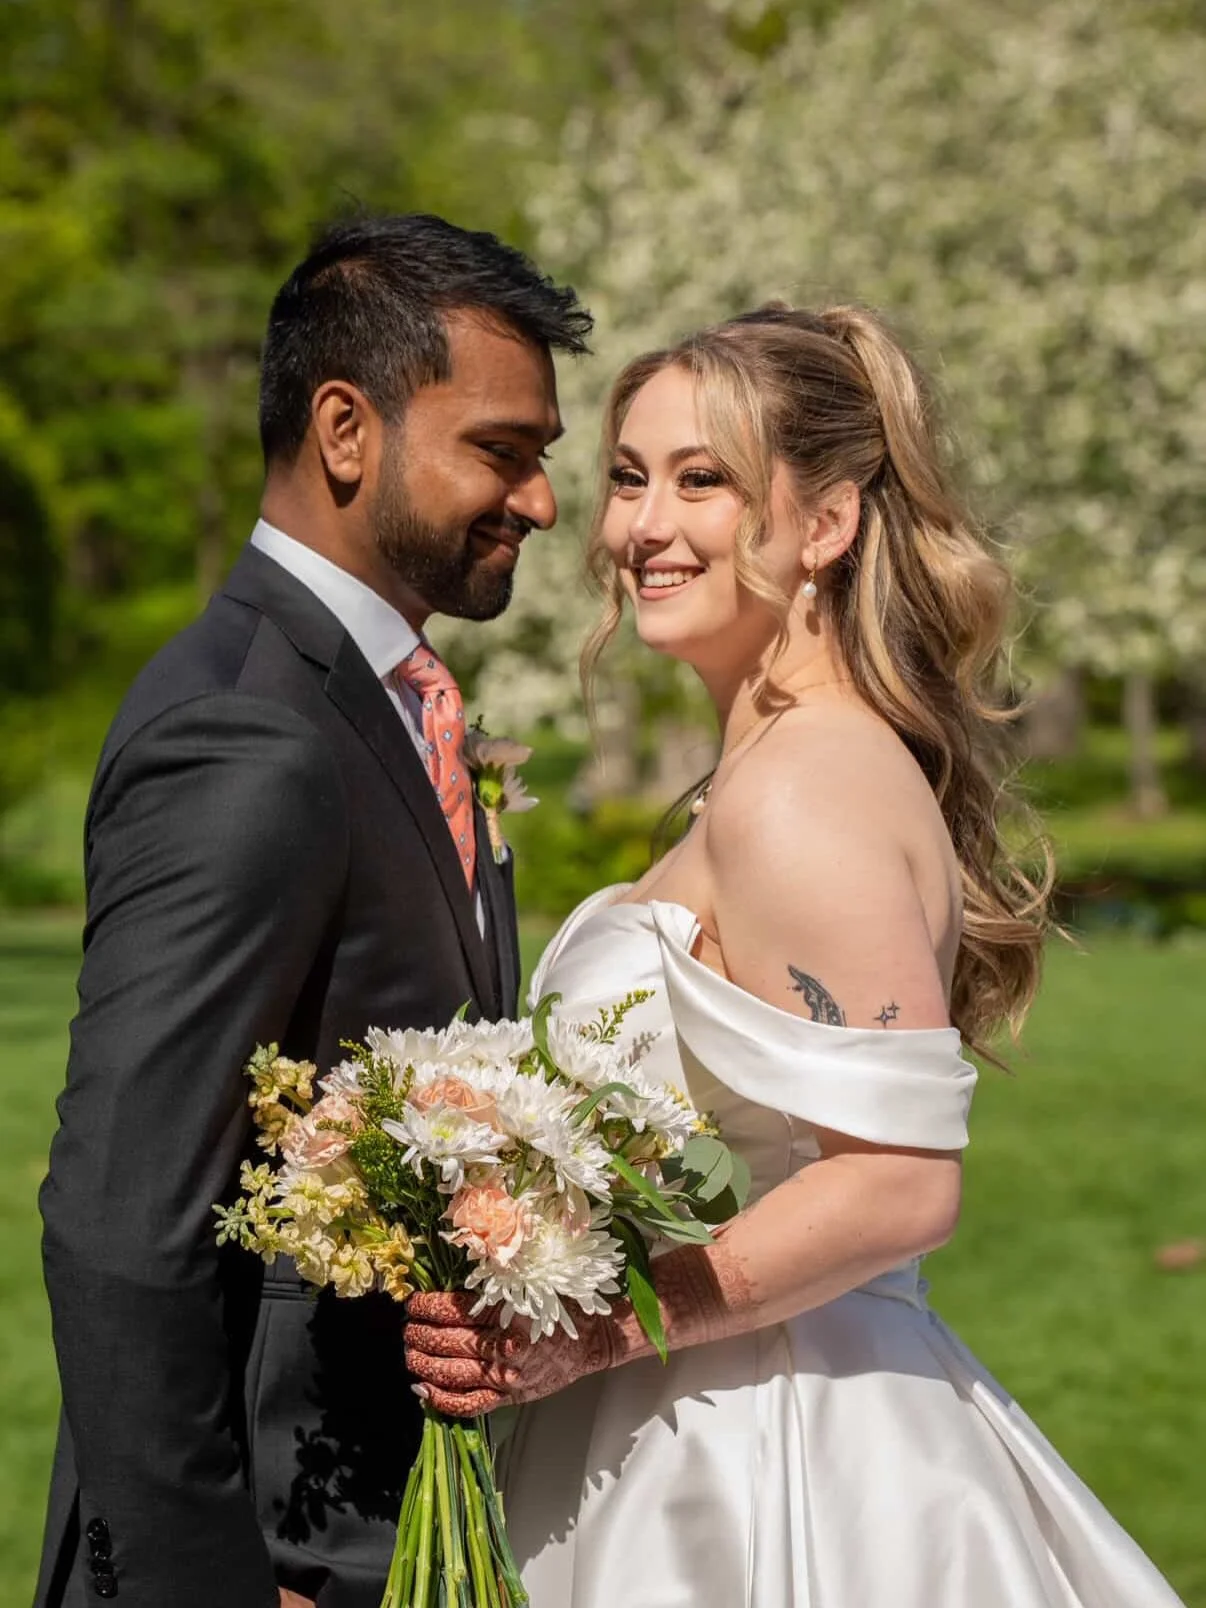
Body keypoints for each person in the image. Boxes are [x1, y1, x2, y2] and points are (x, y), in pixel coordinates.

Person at [403, 304, 1187, 1606]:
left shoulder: (805, 786)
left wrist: (597, 1329)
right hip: (687, 1412)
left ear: (824, 522)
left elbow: (895, 1187)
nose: (644, 527)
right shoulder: (775, 767)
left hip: (768, 1463)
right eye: (631, 477)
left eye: (702, 480)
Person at [33, 212, 590, 1608]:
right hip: (276, 1556)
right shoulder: (245, 734)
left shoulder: (386, 707)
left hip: (391, 1528)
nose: (539, 501)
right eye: (502, 450)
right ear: (347, 430)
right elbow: (122, 1221)